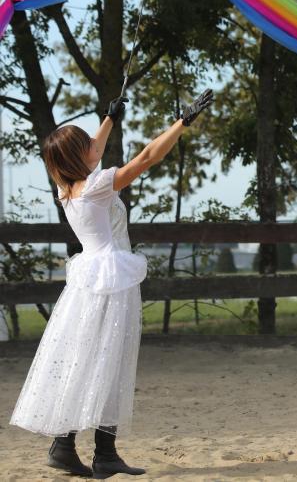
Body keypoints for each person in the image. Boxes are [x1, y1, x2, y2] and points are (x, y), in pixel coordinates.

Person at [9, 89, 213, 478]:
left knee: (86, 361)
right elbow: (147, 157)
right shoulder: (99, 185)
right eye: (88, 146)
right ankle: (102, 453)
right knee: (111, 364)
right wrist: (182, 123)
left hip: (87, 281)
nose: (95, 147)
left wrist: (110, 118)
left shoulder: (66, 188)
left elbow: (91, 152)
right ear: (78, 156)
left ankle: (66, 445)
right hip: (111, 281)